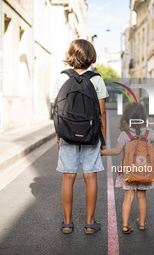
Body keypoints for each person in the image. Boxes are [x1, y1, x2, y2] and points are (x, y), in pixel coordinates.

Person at [53, 39, 108, 234]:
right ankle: (90, 223)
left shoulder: (62, 78)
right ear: (91, 56)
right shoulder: (97, 79)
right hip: (91, 135)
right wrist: (103, 141)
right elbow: (101, 113)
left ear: (71, 55)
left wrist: (59, 138)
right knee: (90, 176)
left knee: (68, 176)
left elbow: (57, 111)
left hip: (67, 134)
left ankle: (67, 223)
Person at [101, 103, 154, 234]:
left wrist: (102, 152)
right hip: (144, 172)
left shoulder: (125, 134)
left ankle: (125, 225)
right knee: (141, 197)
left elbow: (117, 151)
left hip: (128, 172)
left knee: (128, 197)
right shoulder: (148, 133)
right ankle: (141, 223)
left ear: (126, 117)